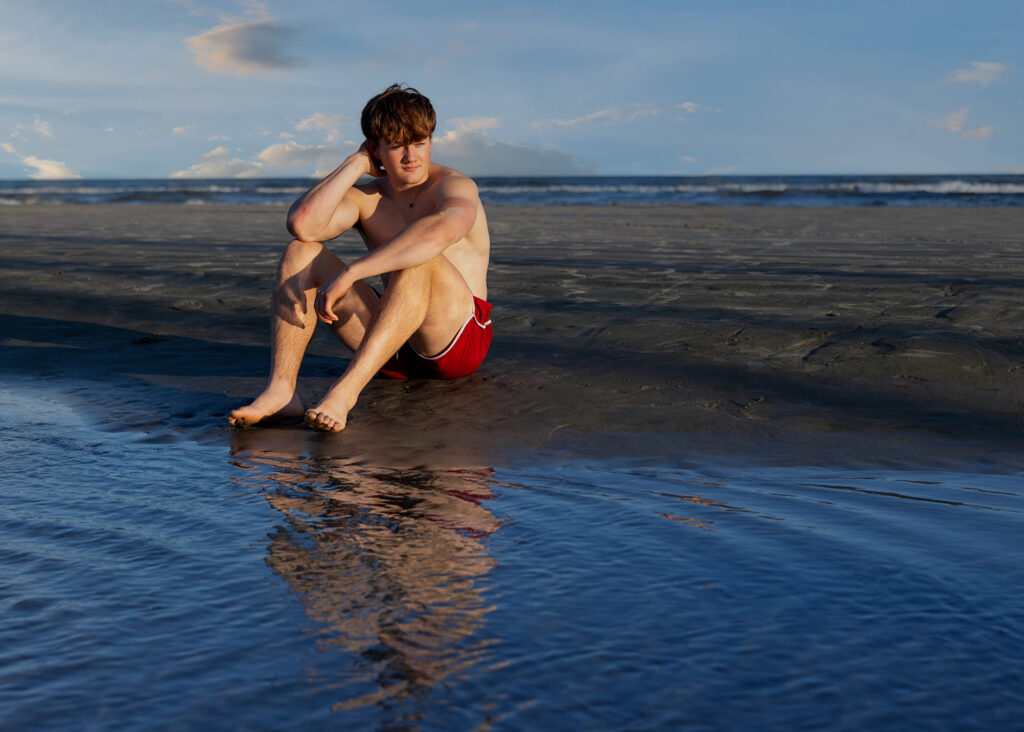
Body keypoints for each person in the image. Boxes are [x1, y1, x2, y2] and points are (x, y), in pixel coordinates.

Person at [228, 84, 492, 433]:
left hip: (454, 342)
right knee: (300, 252)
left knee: (420, 256)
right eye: (397, 145)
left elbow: (441, 232)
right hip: (391, 341)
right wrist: (354, 164)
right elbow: (302, 225)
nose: (411, 155)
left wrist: (354, 271)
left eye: (421, 142)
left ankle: (345, 393)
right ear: (376, 149)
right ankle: (281, 392)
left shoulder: (454, 186)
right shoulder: (369, 198)